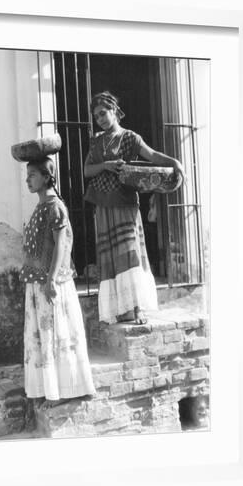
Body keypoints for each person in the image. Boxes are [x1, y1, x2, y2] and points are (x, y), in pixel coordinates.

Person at [84, 91, 185, 325]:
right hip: (103, 204)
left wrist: (175, 162)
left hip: (124, 201)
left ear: (114, 112)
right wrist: (106, 165)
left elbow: (152, 156)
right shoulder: (96, 141)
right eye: (96, 116)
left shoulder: (129, 137)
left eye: (103, 113)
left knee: (130, 252)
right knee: (110, 255)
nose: (99, 119)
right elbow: (87, 171)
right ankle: (120, 309)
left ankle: (137, 308)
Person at [20, 156, 96, 406]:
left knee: (55, 333)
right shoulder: (41, 206)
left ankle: (64, 389)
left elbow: (61, 244)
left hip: (51, 283)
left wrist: (51, 279)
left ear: (46, 176)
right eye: (28, 175)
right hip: (38, 282)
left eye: (32, 174)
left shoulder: (55, 206)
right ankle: (48, 387)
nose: (28, 179)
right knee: (42, 336)